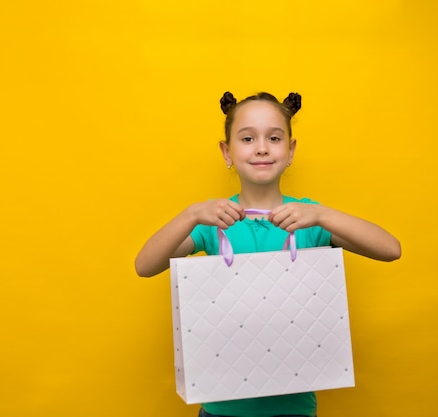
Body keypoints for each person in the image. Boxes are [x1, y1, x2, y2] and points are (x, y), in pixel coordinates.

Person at [135, 91, 401, 417]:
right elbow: (144, 266)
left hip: (294, 408)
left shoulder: (309, 220)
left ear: (290, 151)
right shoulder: (213, 222)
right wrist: (191, 215)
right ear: (227, 151)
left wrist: (322, 216)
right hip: (220, 408)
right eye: (248, 138)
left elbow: (390, 249)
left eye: (274, 138)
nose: (261, 147)